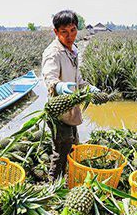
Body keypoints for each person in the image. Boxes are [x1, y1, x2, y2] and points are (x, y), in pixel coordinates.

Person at [42, 10, 100, 180]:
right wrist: (58, 86)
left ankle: (68, 177)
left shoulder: (73, 50)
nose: (70, 36)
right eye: (64, 32)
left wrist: (88, 88)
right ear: (56, 32)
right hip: (59, 112)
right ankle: (53, 183)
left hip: (71, 110)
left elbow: (77, 79)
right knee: (61, 151)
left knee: (73, 145)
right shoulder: (53, 53)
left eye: (73, 30)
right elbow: (49, 76)